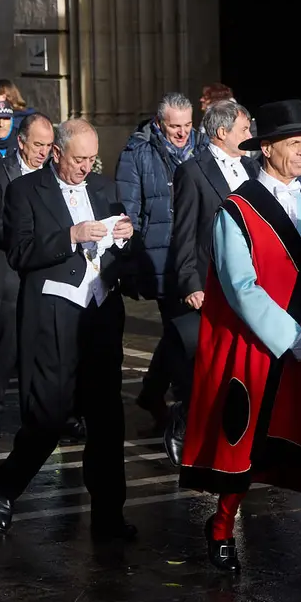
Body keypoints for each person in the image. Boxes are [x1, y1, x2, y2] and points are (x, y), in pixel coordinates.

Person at [179, 99, 301, 600]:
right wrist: (290, 337)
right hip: (264, 351)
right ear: (267, 149)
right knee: (245, 450)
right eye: (294, 144)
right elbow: (241, 286)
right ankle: (220, 529)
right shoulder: (235, 211)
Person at [0, 118, 137, 540]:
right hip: (53, 314)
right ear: (56, 153)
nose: (86, 167)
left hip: (101, 313)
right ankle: (6, 486)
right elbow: (19, 252)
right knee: (48, 416)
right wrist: (70, 234)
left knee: (107, 420)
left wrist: (125, 237)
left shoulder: (104, 189)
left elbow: (122, 249)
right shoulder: (25, 190)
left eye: (92, 158)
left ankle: (109, 514)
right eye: (78, 159)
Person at [163, 99, 256, 461]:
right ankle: (185, 421)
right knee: (207, 364)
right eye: (244, 129)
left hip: (248, 282)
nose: (250, 136)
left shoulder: (251, 167)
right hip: (209, 280)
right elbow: (183, 233)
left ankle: (235, 435)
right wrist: (190, 283)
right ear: (222, 132)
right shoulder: (193, 171)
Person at [116, 92, 201, 430]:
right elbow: (129, 210)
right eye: (174, 127)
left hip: (196, 252)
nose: (182, 133)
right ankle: (185, 409)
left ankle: (152, 392)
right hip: (161, 255)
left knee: (178, 333)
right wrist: (131, 262)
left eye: (187, 125)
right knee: (181, 332)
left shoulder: (204, 146)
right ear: (159, 122)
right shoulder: (138, 152)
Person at [0, 112, 53, 438]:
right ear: (21, 141)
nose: (43, 152)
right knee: (9, 339)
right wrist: (21, 236)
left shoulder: (52, 175)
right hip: (11, 271)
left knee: (51, 343)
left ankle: (52, 411)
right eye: (37, 144)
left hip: (48, 267)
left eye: (49, 146)